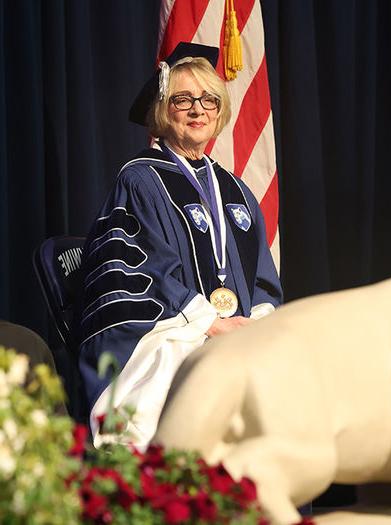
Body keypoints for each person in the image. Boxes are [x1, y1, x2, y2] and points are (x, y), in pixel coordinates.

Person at [78, 42, 282, 447]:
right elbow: (142, 272)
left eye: (208, 99)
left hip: (236, 330)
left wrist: (256, 323)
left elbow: (262, 278)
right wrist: (209, 323)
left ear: (220, 110)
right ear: (162, 110)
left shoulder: (237, 191)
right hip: (173, 330)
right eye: (183, 99)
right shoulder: (140, 180)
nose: (197, 110)